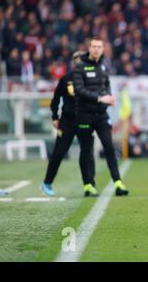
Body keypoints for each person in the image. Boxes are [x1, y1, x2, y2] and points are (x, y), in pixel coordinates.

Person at [73, 37, 129, 196]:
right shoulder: (80, 67)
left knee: (109, 147)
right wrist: (99, 98)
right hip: (84, 115)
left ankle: (118, 183)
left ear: (103, 50)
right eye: (94, 46)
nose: (97, 49)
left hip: (101, 115)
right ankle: (88, 185)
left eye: (99, 46)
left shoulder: (104, 67)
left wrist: (109, 98)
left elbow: (106, 87)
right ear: (89, 49)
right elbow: (79, 90)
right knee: (86, 150)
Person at [41, 51, 97, 197]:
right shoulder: (65, 79)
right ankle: (47, 182)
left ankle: (89, 185)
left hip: (84, 122)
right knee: (59, 152)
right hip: (67, 123)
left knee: (87, 153)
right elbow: (55, 99)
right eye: (78, 61)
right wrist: (54, 117)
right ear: (73, 63)